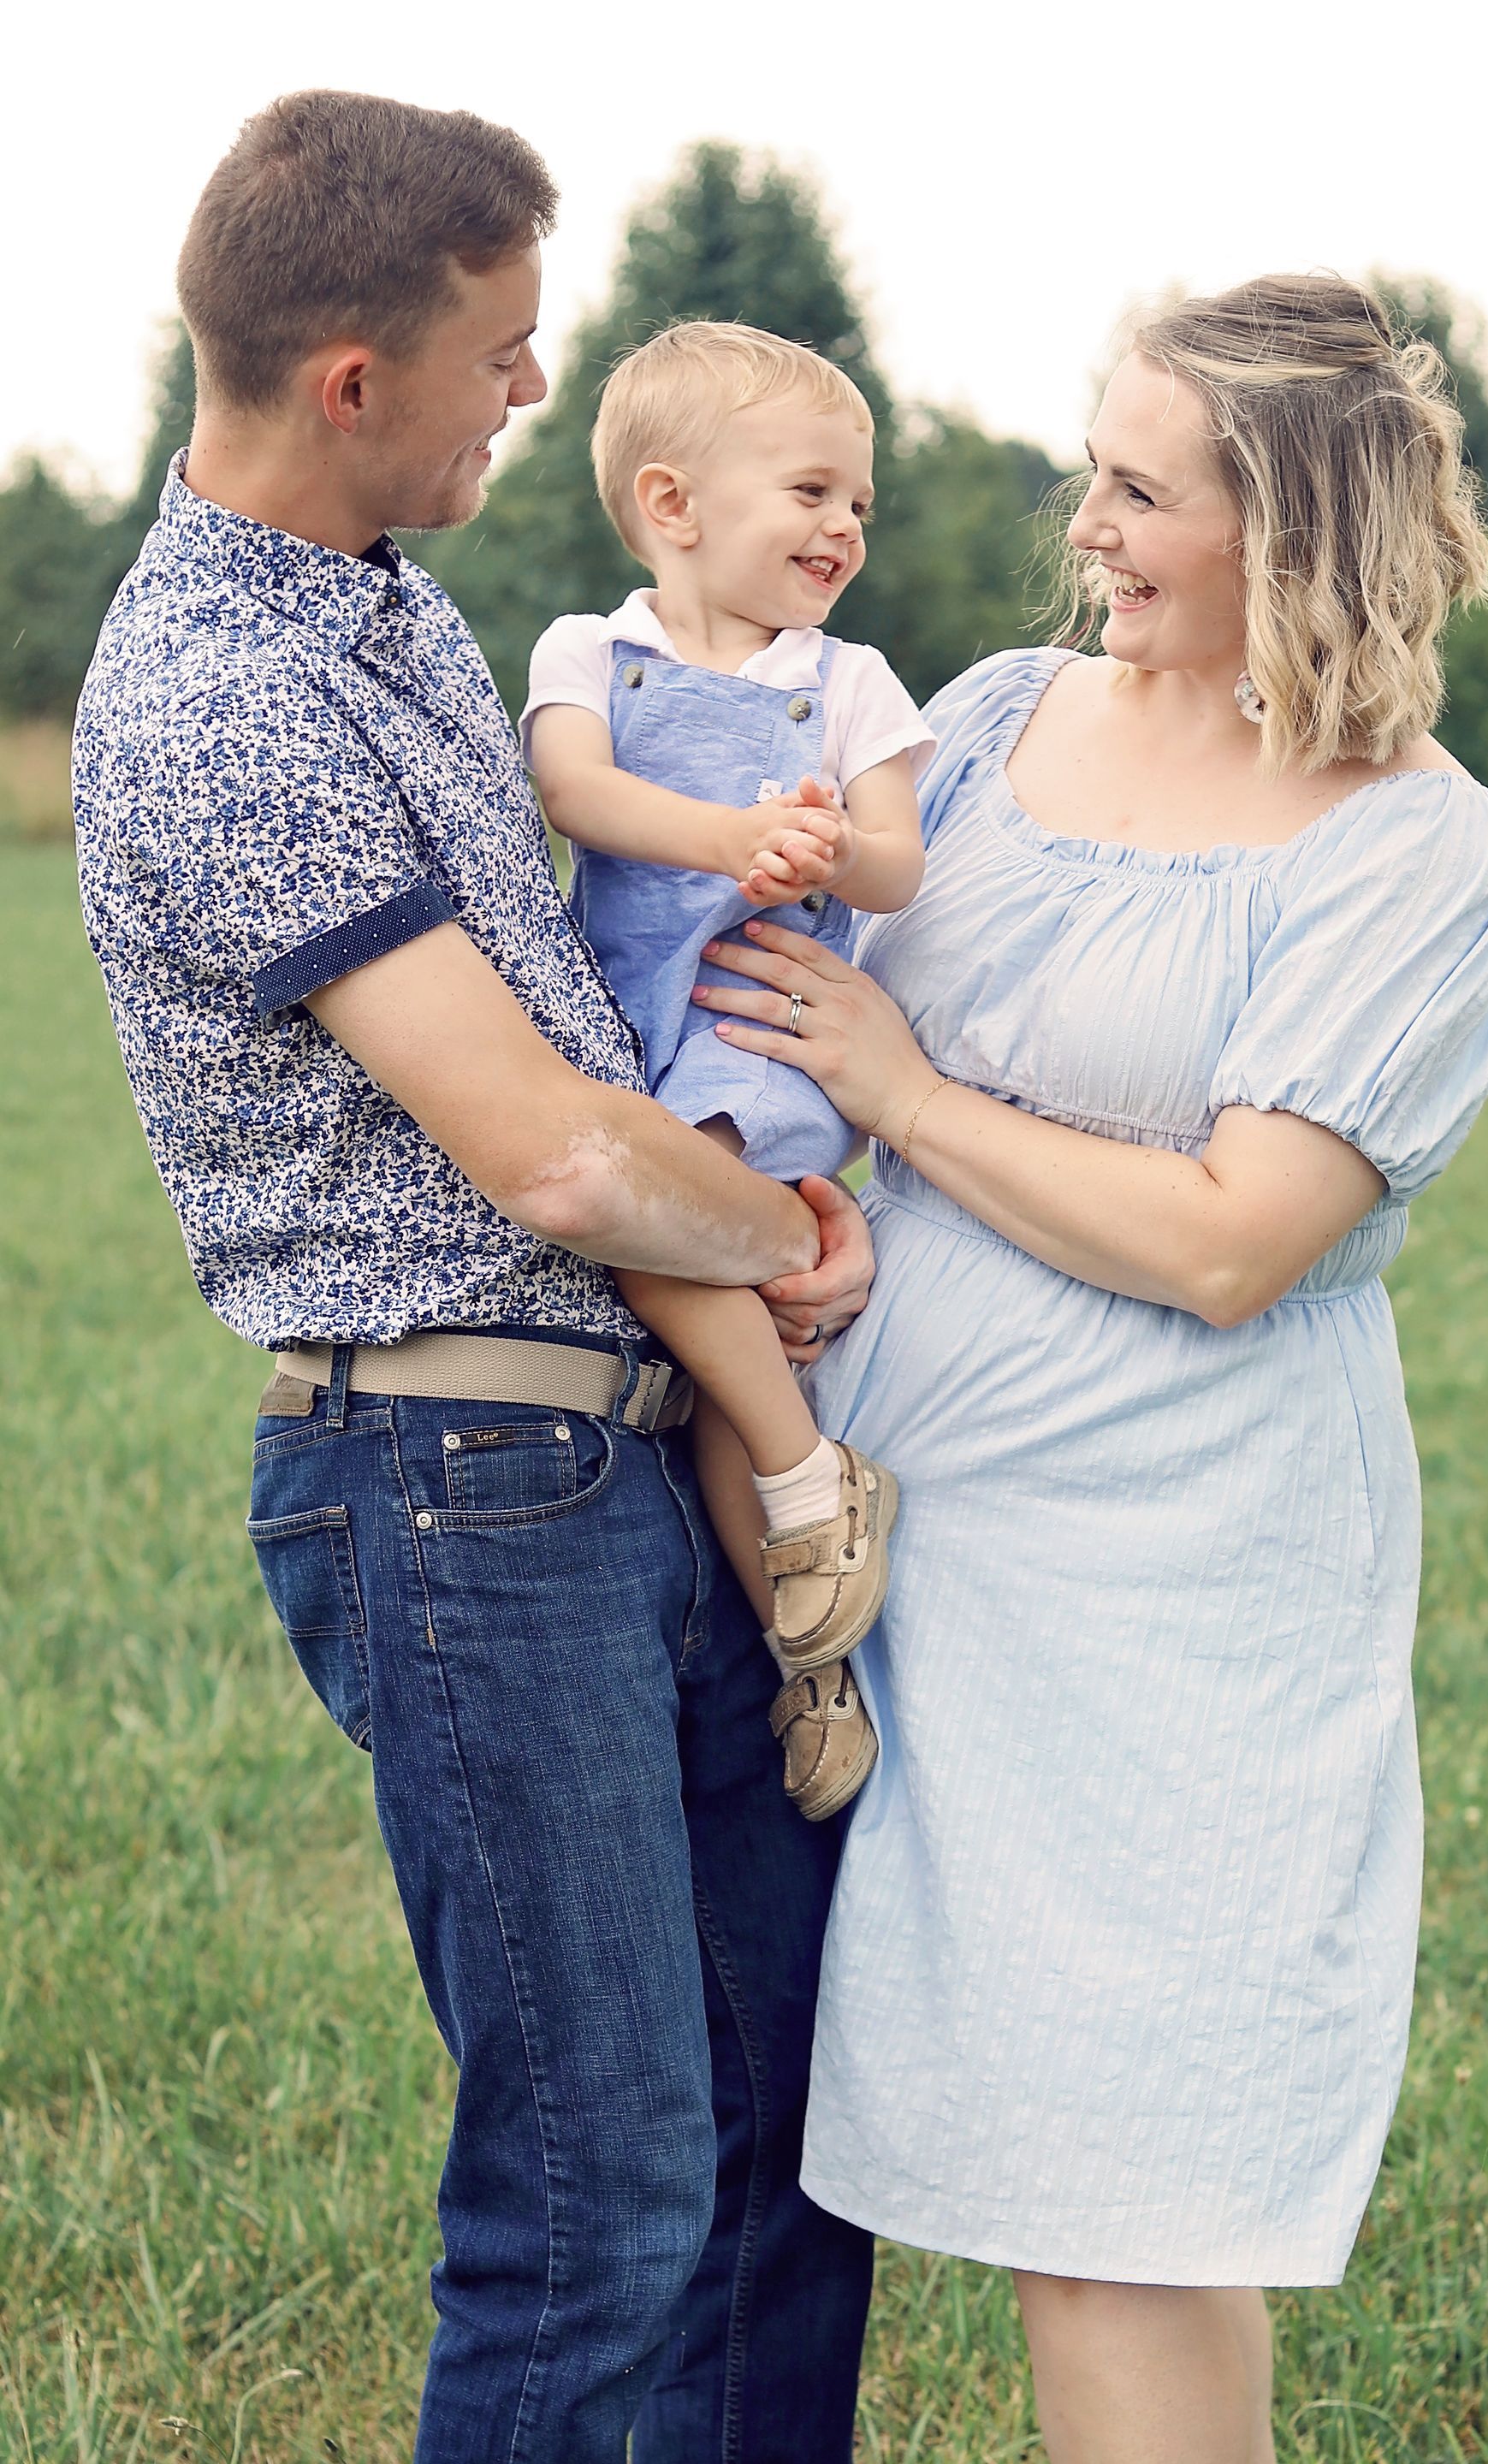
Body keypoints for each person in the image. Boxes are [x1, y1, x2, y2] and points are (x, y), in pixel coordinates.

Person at [72, 90, 875, 2464]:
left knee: (776, 2147)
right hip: (461, 1478)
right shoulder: (219, 696)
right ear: (352, 379)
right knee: (599, 2199)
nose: (536, 388)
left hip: (623, 1449)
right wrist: (788, 1241)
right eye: (504, 351)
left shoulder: (395, 614)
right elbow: (546, 1146)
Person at [692, 275, 1488, 2464]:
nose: (1084, 524)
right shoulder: (990, 720)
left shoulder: (1425, 851)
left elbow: (1234, 1240)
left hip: (1174, 1584)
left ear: (1297, 530)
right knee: (765, 2142)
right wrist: (822, 1205)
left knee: (1125, 2206)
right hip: (875, 1547)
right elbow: (793, 1020)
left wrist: (907, 1095)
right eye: (1097, 470)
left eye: (1140, 490)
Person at [525, 321, 933, 1817]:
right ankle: (809, 1666)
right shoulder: (589, 652)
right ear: (672, 503)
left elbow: (896, 863)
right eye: (813, 492)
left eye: (860, 504)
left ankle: (812, 1482)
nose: (846, 528)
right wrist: (732, 836)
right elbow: (576, 791)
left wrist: (828, 853)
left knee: (654, 1221)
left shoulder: (851, 680)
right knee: (708, 1372)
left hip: (760, 1037)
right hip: (631, 1030)